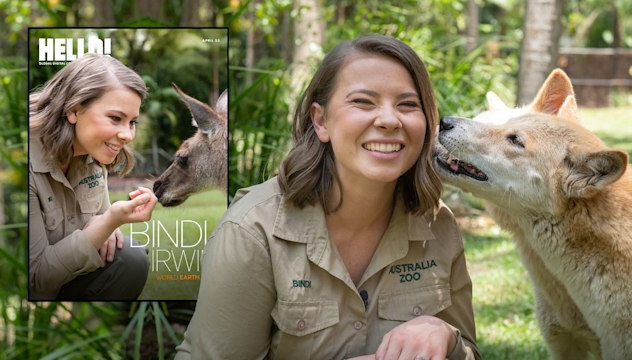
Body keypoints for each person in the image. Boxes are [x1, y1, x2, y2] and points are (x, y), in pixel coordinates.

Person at [175, 35, 481, 359]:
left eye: (408, 105)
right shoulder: (251, 232)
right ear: (320, 121)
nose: (390, 120)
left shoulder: (438, 225)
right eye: (363, 102)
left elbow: (470, 353)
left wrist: (445, 335)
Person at [29, 53, 157, 301]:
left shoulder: (91, 155)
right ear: (74, 110)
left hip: (66, 272)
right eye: (115, 118)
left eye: (132, 122)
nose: (128, 135)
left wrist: (108, 224)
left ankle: (93, 332)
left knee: (129, 258)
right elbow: (34, 281)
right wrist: (107, 222)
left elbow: (103, 227)